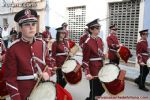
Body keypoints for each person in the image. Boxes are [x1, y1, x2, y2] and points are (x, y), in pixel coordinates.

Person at [4, 9, 55, 100]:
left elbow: (49, 64)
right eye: (27, 24)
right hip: (24, 94)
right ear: (20, 28)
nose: (31, 27)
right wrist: (17, 98)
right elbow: (10, 80)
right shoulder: (13, 49)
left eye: (33, 24)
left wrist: (48, 72)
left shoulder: (42, 44)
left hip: (43, 91)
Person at [82, 19, 105, 100]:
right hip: (93, 70)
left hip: (101, 68)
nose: (99, 29)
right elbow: (85, 60)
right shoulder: (87, 43)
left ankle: (91, 98)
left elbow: (101, 54)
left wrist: (104, 57)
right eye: (97, 28)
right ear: (91, 29)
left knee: (102, 88)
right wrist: (87, 72)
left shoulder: (100, 39)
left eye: (99, 27)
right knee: (94, 90)